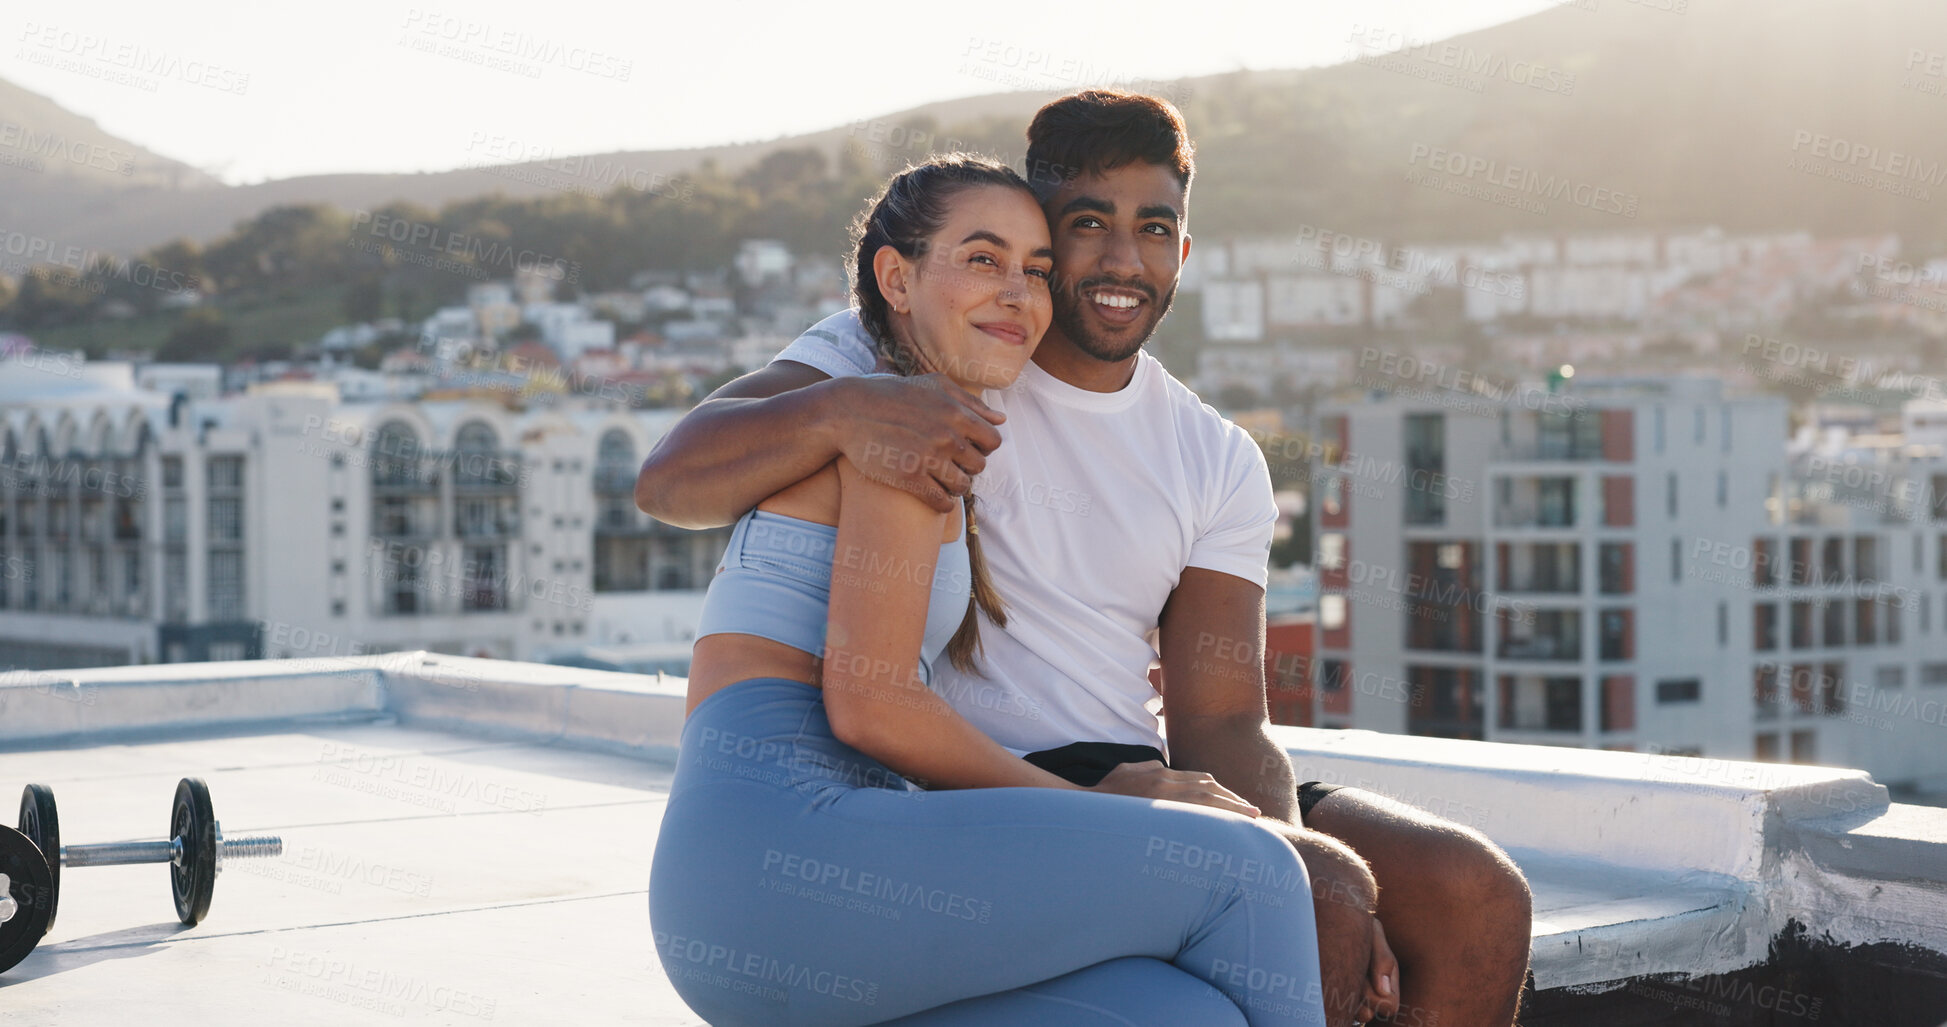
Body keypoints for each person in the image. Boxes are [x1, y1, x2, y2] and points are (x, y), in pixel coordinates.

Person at [639, 90, 1534, 1026]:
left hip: (1134, 765)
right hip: (973, 776)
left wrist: (1281, 836)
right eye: (1084, 226)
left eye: (1153, 229)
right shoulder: (913, 363)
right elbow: (671, 483)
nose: (1120, 259)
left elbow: (1223, 716)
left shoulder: (1215, 454)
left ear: (1182, 251)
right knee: (1298, 892)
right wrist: (840, 409)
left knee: (1472, 894)